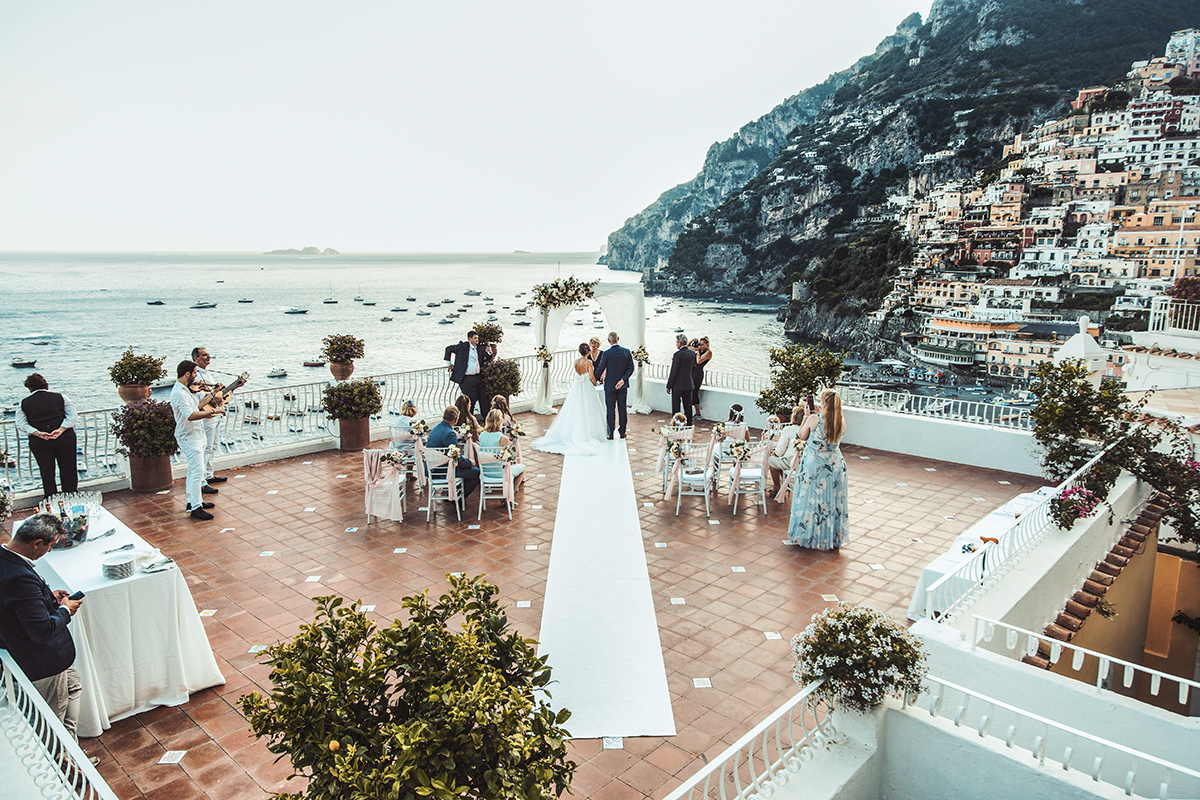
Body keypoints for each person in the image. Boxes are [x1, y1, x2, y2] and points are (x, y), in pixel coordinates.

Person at [0, 514, 85, 741]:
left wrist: (48, 598)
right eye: (50, 545)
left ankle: (71, 750)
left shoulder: (4, 558)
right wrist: (66, 610)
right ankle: (62, 762)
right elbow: (41, 630)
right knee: (52, 720)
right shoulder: (19, 578)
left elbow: (14, 606)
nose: (49, 551)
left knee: (74, 687)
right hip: (43, 661)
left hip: (39, 656)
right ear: (37, 543)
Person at [786, 389, 848, 549]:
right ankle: (830, 537)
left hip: (814, 466)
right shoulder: (841, 420)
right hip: (835, 465)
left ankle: (807, 535)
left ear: (825, 403)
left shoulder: (814, 419)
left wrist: (806, 416)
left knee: (810, 500)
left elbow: (801, 436)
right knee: (831, 503)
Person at [532, 343, 609, 455]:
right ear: (588, 352)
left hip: (578, 387)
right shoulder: (589, 362)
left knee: (577, 407)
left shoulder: (576, 362)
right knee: (589, 408)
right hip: (587, 387)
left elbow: (578, 374)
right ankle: (591, 433)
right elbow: (591, 377)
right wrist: (595, 383)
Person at [171, 360, 223, 520]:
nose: (196, 376)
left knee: (194, 470)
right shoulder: (179, 393)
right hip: (189, 436)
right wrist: (214, 411)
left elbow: (198, 405)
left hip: (197, 435)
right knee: (197, 472)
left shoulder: (186, 390)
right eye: (194, 373)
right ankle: (195, 507)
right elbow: (191, 415)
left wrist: (213, 395)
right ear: (187, 374)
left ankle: (193, 500)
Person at [15, 373, 79, 499]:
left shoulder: (24, 403)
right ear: (46, 385)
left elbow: (21, 424)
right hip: (64, 438)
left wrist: (38, 433)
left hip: (40, 441)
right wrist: (60, 429)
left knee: (47, 471)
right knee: (68, 468)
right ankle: (71, 496)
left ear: (29, 388)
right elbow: (72, 416)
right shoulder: (61, 397)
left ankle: (51, 499)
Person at [190, 347, 228, 488]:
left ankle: (208, 474)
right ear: (196, 358)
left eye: (208, 355)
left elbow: (216, 394)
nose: (208, 357)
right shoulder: (197, 376)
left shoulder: (207, 374)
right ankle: (202, 480)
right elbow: (200, 397)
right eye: (204, 355)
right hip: (207, 415)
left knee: (213, 445)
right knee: (207, 446)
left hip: (215, 413)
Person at [426, 406, 480, 499]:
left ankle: (452, 494)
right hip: (443, 470)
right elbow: (457, 458)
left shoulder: (435, 429)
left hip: (432, 469)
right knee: (477, 473)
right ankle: (458, 498)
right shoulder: (450, 434)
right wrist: (470, 462)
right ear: (456, 419)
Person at [593, 331, 634, 440]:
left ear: (608, 340)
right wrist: (623, 380)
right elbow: (631, 368)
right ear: (618, 338)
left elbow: (601, 368)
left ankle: (611, 432)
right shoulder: (626, 352)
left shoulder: (606, 353)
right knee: (622, 408)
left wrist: (593, 379)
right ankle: (622, 432)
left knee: (610, 409)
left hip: (610, 386)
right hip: (622, 386)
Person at [444, 331, 494, 420]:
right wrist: (449, 363)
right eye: (475, 338)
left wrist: (489, 352)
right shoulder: (462, 346)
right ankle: (468, 419)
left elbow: (488, 357)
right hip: (466, 378)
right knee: (471, 399)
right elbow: (448, 349)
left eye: (477, 338)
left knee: (484, 398)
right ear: (469, 339)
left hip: (478, 377)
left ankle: (487, 419)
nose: (477, 340)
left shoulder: (480, 348)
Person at [479, 409, 526, 488]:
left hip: (485, 471)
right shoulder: (503, 438)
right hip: (501, 472)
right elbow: (508, 458)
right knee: (522, 468)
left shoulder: (481, 436)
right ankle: (512, 493)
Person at [769, 406, 806, 496]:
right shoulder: (809, 430)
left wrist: (775, 453)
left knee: (772, 460)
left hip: (791, 461)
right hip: (804, 462)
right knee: (779, 461)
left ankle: (777, 487)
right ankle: (786, 484)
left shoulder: (789, 429)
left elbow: (780, 450)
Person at [666, 333, 696, 425]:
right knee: (688, 407)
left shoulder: (677, 355)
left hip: (677, 385)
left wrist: (669, 385)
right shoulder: (693, 354)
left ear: (679, 342)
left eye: (676, 342)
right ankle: (689, 425)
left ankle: (676, 425)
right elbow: (694, 369)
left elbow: (674, 371)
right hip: (688, 384)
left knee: (676, 407)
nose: (676, 344)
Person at [692, 337, 712, 420]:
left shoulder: (708, 352)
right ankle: (692, 411)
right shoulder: (699, 350)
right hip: (693, 372)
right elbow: (686, 346)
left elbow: (699, 361)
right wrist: (692, 341)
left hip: (698, 374)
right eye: (700, 344)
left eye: (702, 345)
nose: (701, 346)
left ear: (707, 344)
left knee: (695, 392)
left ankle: (698, 413)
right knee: (690, 391)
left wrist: (697, 352)